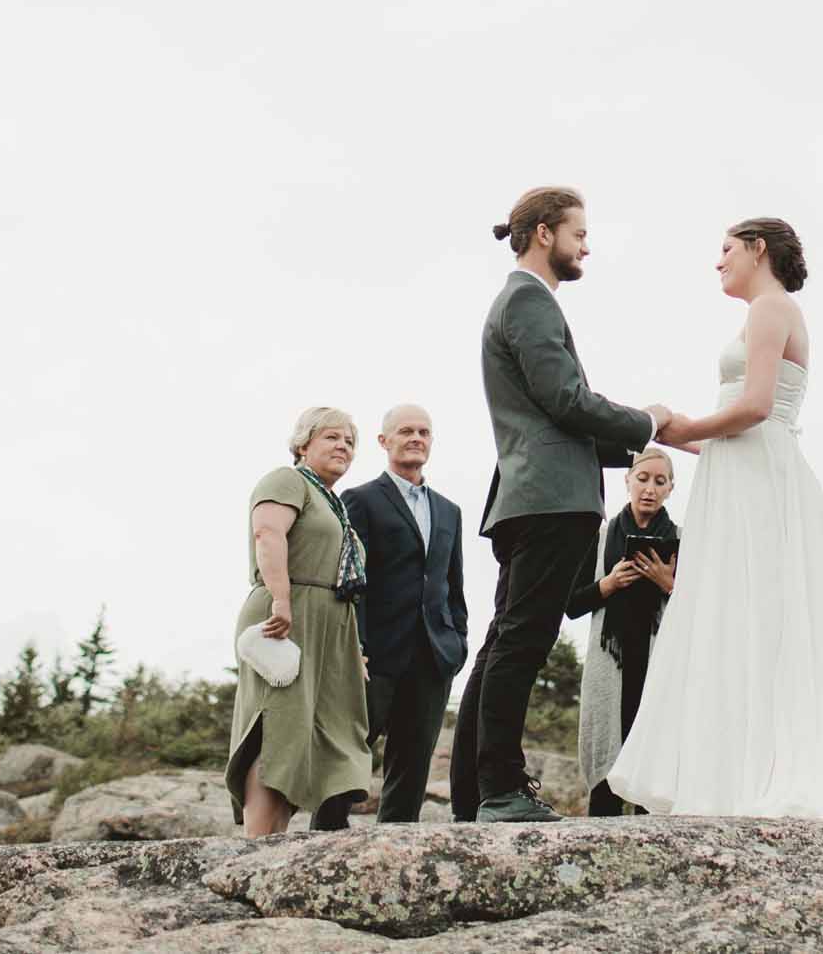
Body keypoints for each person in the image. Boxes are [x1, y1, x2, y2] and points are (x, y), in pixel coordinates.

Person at [605, 219, 823, 827]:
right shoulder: (765, 312)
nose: (718, 262)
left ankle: (764, 771)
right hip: (749, 474)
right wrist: (683, 441)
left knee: (758, 612)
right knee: (742, 614)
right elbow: (746, 431)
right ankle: (734, 772)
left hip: (762, 483)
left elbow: (755, 409)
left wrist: (672, 424)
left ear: (758, 250)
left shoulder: (772, 307)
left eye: (726, 250)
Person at [450, 187, 673, 823]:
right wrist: (645, 422)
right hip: (550, 501)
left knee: (503, 642)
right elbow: (566, 399)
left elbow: (556, 420)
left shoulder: (518, 302)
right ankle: (500, 790)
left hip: (531, 493)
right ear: (545, 233)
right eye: (579, 234)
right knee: (522, 641)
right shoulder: (529, 300)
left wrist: (633, 450)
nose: (586, 247)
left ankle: (475, 794)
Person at [225, 406, 371, 837]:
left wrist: (352, 647)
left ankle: (277, 839)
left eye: (349, 441)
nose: (343, 446)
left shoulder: (332, 502)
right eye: (332, 437)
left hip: (329, 622)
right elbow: (267, 534)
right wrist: (281, 600)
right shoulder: (286, 480)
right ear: (303, 444)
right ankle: (259, 845)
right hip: (287, 614)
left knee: (314, 732)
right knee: (280, 726)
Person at [336, 404, 467, 824]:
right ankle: (322, 842)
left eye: (424, 432)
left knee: (412, 765)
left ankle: (396, 853)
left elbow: (453, 584)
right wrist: (354, 644)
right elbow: (350, 579)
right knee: (350, 753)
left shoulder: (449, 511)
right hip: (376, 654)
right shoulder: (360, 499)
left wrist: (457, 640)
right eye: (406, 431)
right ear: (384, 441)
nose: (416, 438)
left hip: (433, 656)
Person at [568, 448, 680, 816]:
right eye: (643, 478)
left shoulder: (683, 540)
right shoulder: (598, 538)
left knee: (655, 771)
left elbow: (705, 611)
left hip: (659, 666)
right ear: (627, 481)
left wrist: (669, 583)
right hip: (609, 663)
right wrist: (609, 583)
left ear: (670, 488)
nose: (649, 488)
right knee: (606, 773)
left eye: (659, 481)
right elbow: (571, 604)